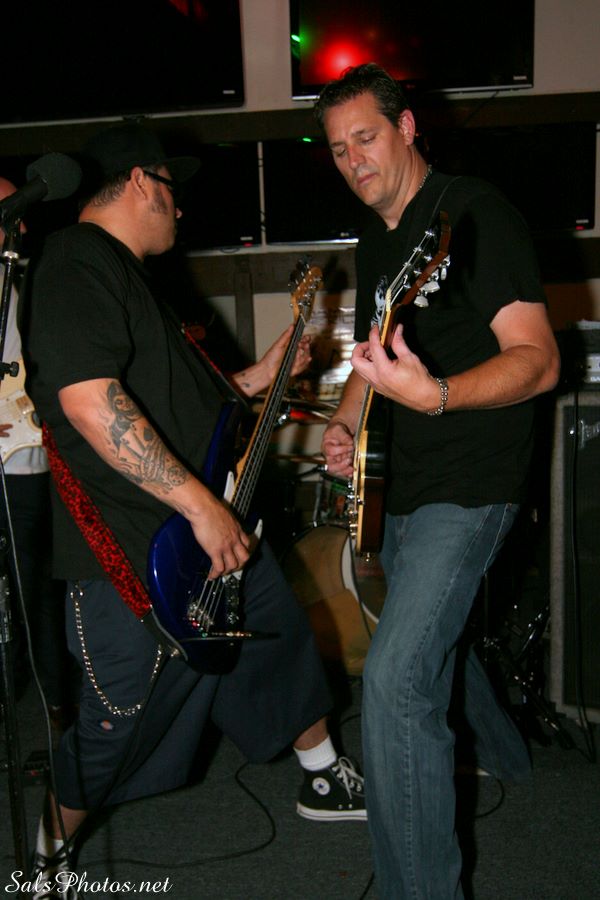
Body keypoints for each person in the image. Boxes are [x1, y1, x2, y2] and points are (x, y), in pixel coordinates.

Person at [20, 123, 365, 899]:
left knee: (275, 635)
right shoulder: (75, 259)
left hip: (200, 527)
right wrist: (202, 507)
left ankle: (322, 774)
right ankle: (45, 856)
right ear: (145, 181)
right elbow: (89, 400)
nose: (180, 209)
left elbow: (176, 405)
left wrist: (258, 375)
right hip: (134, 547)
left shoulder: (130, 277)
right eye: (171, 189)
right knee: (118, 724)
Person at [315, 64, 560, 899]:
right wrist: (346, 420)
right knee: (426, 638)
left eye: (366, 138)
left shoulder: (476, 214)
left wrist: (440, 395)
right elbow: (372, 357)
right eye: (338, 149)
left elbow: (539, 359)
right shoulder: (376, 240)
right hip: (403, 482)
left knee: (394, 682)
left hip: (474, 479)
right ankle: (511, 758)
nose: (353, 160)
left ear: (408, 127)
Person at [0, 177, 73, 725]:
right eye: (13, 211)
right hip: (9, 461)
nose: (23, 224)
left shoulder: (20, 277)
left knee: (40, 588)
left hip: (30, 456)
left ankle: (55, 705)